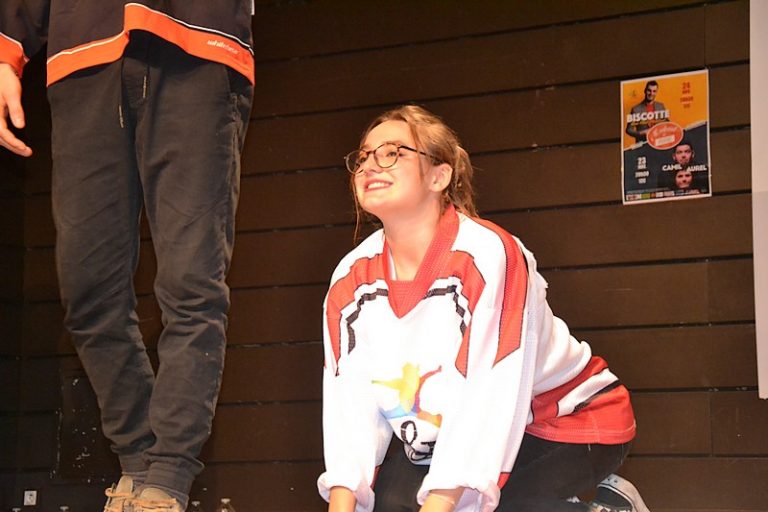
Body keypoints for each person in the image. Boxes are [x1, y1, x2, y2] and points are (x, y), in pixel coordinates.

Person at [318, 105, 650, 512]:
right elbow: (349, 407)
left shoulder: (490, 255)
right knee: (392, 505)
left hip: (568, 421)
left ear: (439, 176)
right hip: (456, 425)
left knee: (482, 503)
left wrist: (445, 501)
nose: (370, 165)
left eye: (392, 152)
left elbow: (489, 399)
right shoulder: (350, 277)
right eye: (363, 157)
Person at [0, 3, 254, 511]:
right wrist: (7, 53)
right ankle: (138, 463)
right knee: (88, 289)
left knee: (191, 281)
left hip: (195, 44)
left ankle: (168, 477)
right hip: (83, 52)